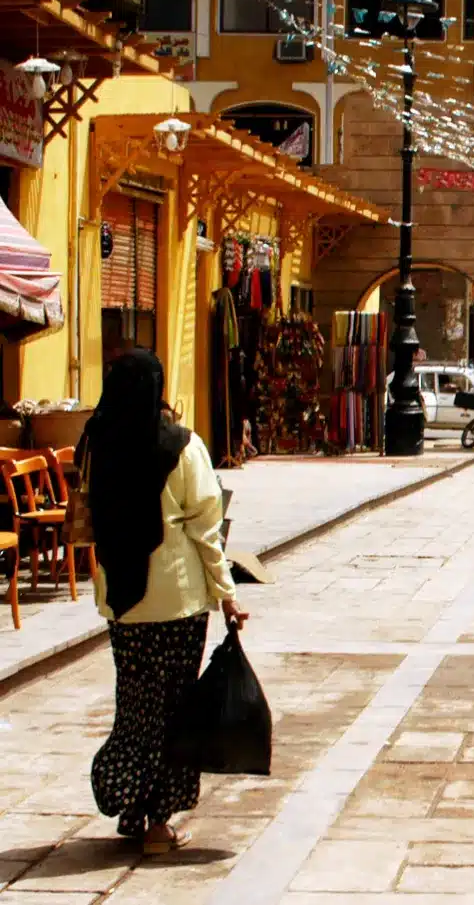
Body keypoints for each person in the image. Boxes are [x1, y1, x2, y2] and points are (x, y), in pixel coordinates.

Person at [83, 350, 249, 854]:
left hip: (122, 602)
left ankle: (130, 804)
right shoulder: (181, 445)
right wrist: (227, 596)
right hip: (175, 604)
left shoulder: (96, 442)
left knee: (134, 708)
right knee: (172, 710)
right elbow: (206, 530)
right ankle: (158, 824)